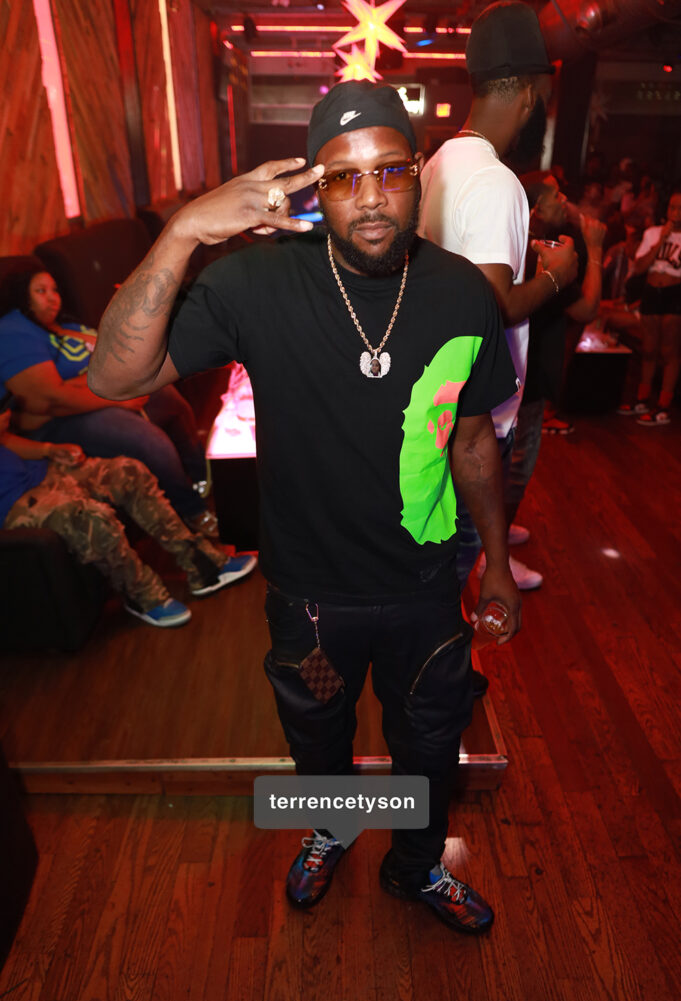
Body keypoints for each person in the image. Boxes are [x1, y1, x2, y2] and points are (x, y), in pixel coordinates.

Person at [90, 80, 521, 934]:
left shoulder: (464, 294)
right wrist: (184, 231)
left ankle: (414, 865)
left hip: (424, 593)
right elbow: (112, 376)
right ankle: (333, 827)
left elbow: (473, 441)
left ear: (418, 174)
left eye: (389, 170)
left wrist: (498, 565)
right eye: (342, 177)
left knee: (429, 741)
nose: (370, 198)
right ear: (315, 187)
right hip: (310, 604)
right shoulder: (255, 284)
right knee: (318, 732)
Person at [418, 0, 578, 593]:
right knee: (458, 564)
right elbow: (494, 305)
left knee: (440, 555)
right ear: (530, 97)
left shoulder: (442, 162)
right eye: (546, 100)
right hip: (476, 415)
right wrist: (558, 275)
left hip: (442, 399)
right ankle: (446, 644)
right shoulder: (495, 180)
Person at [0, 266, 216, 534]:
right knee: (147, 439)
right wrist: (117, 399)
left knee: (172, 402)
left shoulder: (65, 326)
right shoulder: (13, 330)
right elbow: (48, 398)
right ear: (21, 296)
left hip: (108, 389)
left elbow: (116, 356)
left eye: (55, 290)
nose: (53, 297)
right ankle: (193, 512)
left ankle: (201, 483)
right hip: (65, 419)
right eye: (41, 291)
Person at [0, 409, 256, 627]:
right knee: (91, 518)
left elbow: (5, 439)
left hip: (40, 472)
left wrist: (47, 449)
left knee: (129, 472)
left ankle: (203, 566)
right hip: (12, 503)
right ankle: (143, 596)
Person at [503, 172, 605, 534]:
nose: (564, 201)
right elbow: (587, 309)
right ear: (535, 209)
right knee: (518, 463)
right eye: (555, 196)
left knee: (502, 459)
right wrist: (595, 249)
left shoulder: (511, 243)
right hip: (527, 377)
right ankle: (493, 551)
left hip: (509, 372)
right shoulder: (546, 254)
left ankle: (492, 538)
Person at [617, 189, 681, 425]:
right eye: (672, 207)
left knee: (669, 351)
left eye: (680, 209)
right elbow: (640, 267)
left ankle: (663, 405)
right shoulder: (653, 233)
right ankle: (642, 399)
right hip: (652, 292)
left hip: (675, 293)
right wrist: (662, 239)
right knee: (649, 349)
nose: (675, 213)